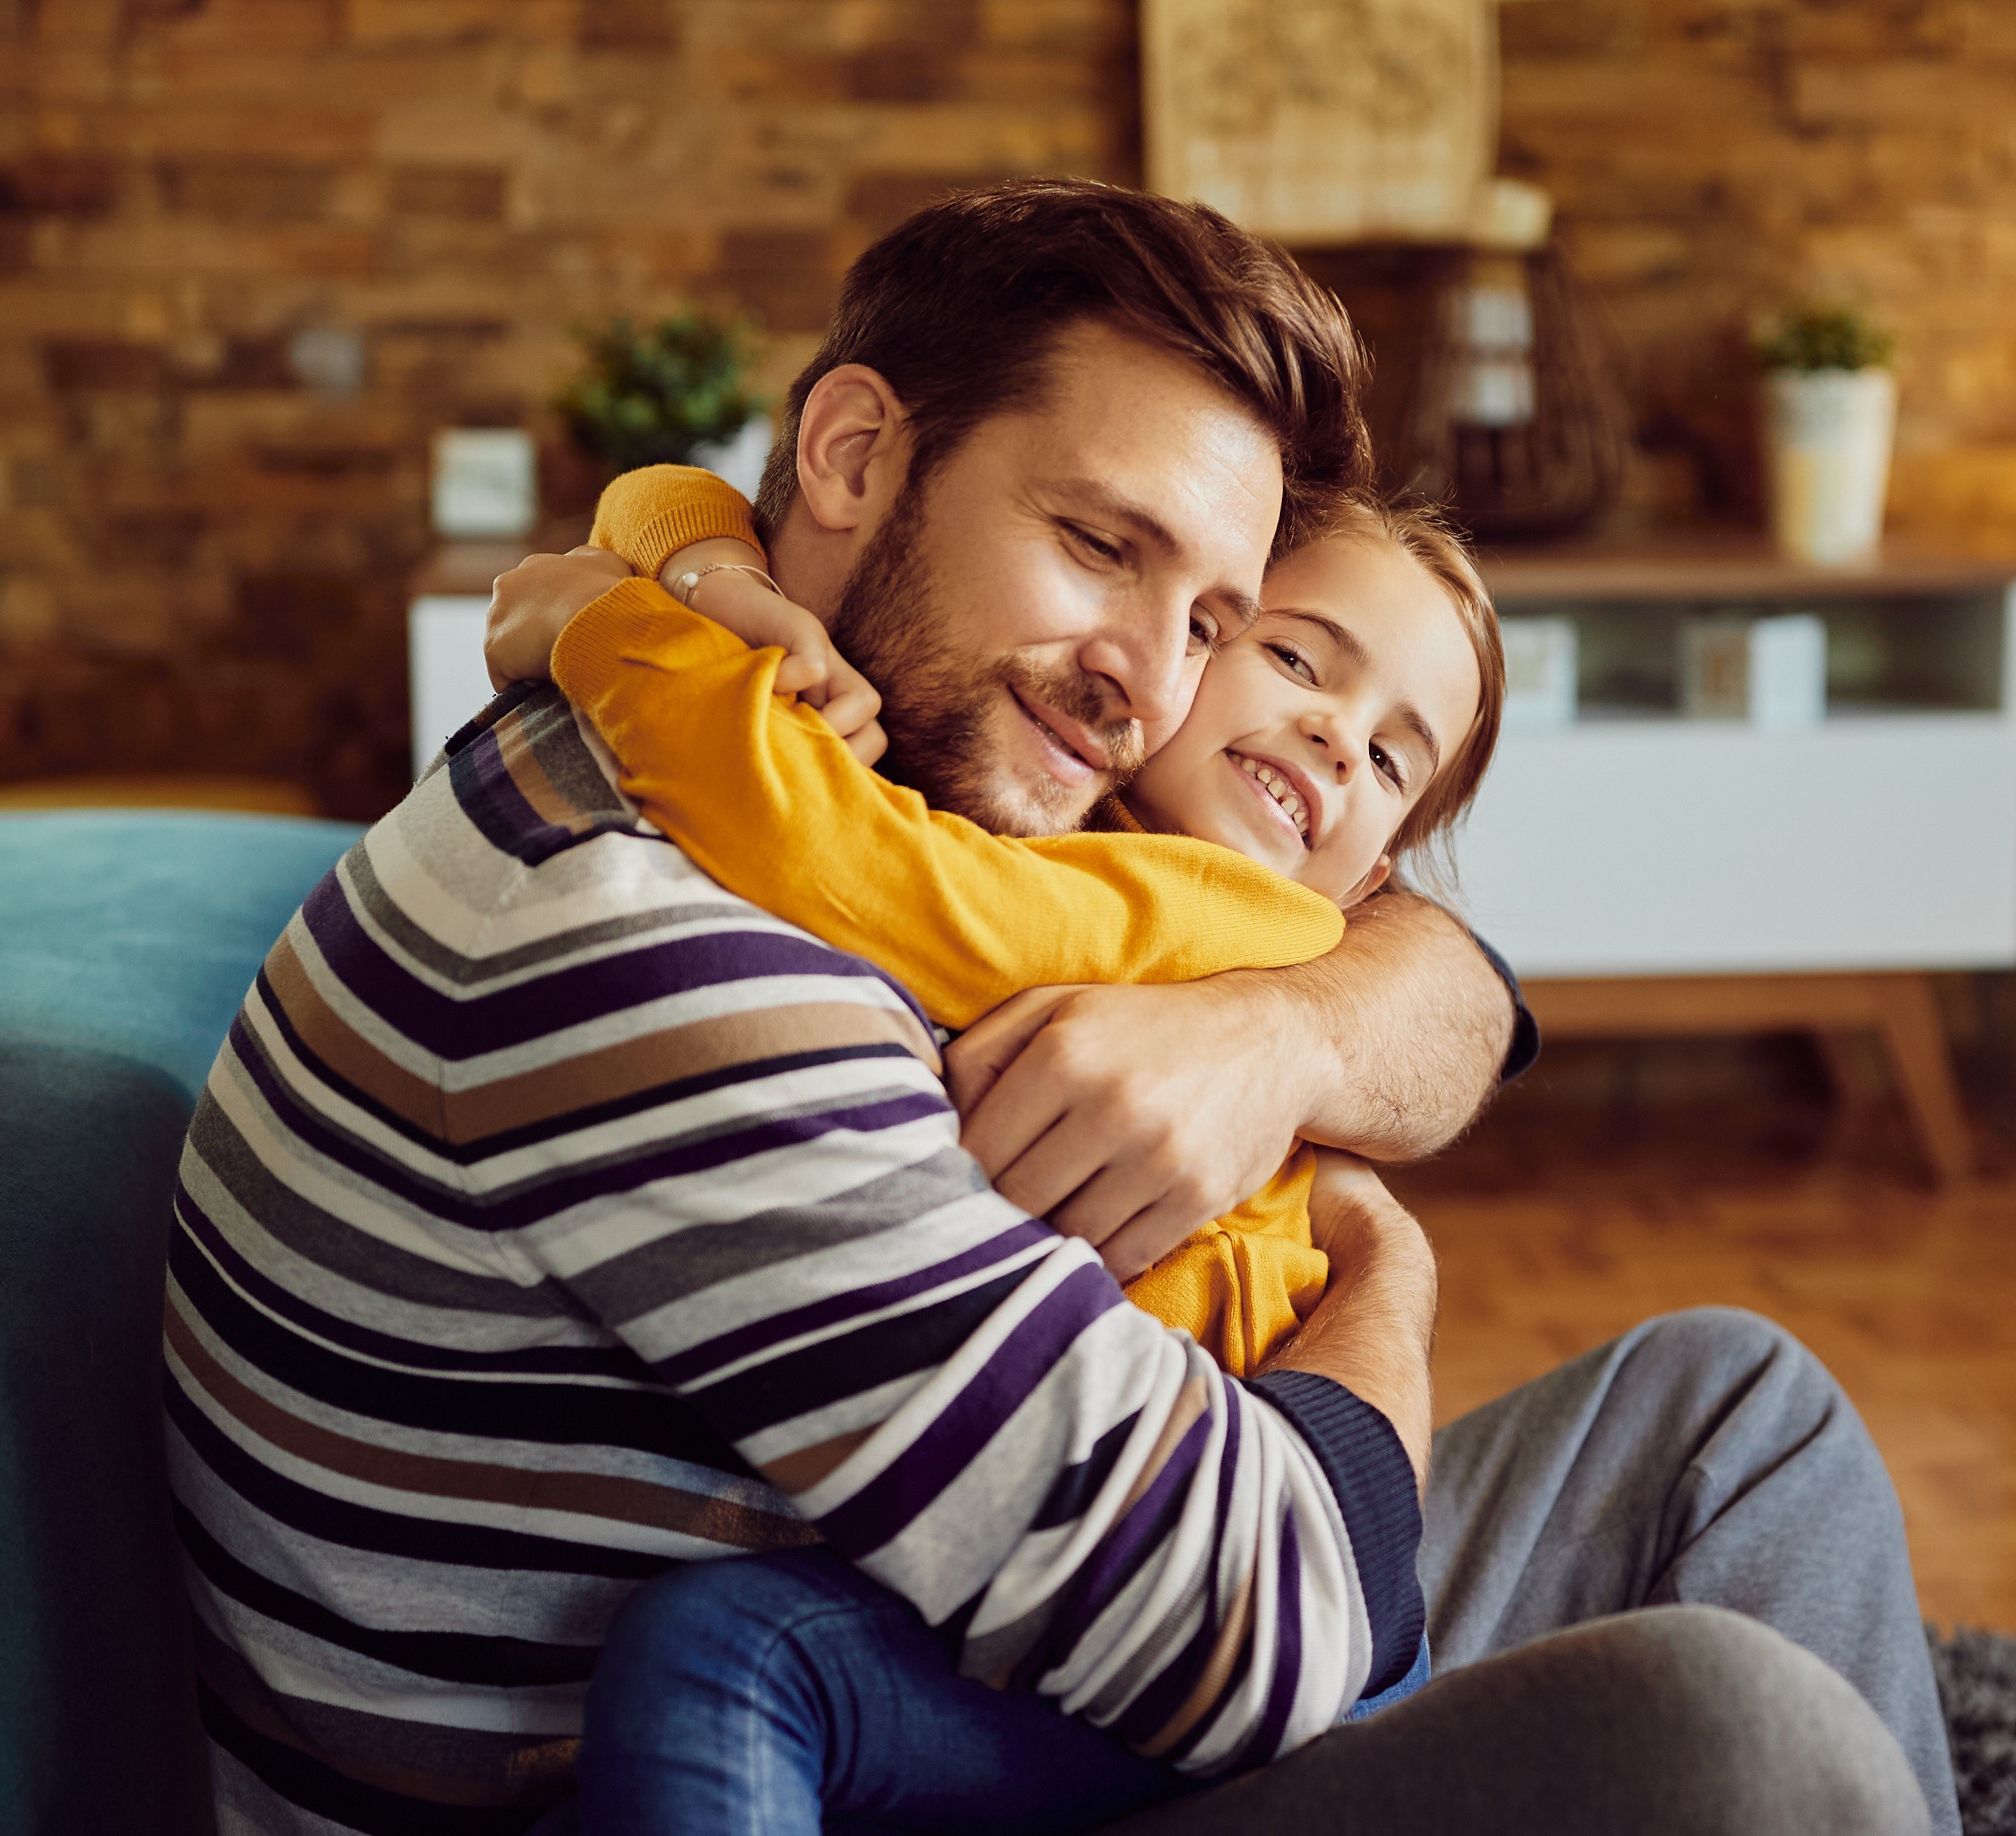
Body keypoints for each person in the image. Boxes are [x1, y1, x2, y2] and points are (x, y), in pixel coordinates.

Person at [163, 179, 1947, 1835]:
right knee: (1732, 1735)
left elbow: (1429, 961)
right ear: (855, 454)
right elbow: (1266, 1638)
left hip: (1012, 1595)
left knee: (1735, 1410)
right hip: (855, 1747)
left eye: (1213, 619)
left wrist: (1289, 1039)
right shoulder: (668, 965)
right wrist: (1389, 1277)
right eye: (1101, 544)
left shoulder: (786, 734)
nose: (1142, 684)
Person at [483, 462, 1504, 1379]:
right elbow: (662, 488)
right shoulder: (1045, 792)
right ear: (1185, 645)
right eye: (1295, 660)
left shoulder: (1243, 912)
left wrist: (616, 631)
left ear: (1367, 879)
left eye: (1385, 761)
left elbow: (864, 870)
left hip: (1161, 1458)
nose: (1337, 735)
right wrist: (726, 583)